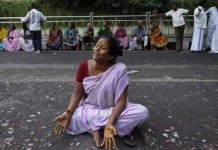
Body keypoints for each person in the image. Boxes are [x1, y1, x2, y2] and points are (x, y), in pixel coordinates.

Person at [53, 36, 149, 149]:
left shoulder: (119, 69)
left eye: (102, 48)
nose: (96, 49)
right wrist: (68, 113)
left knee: (142, 112)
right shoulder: (83, 66)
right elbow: (77, 93)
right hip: (90, 108)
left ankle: (97, 127)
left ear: (111, 55)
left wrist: (110, 122)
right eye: (96, 45)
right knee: (70, 119)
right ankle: (102, 128)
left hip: (112, 109)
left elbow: (121, 101)